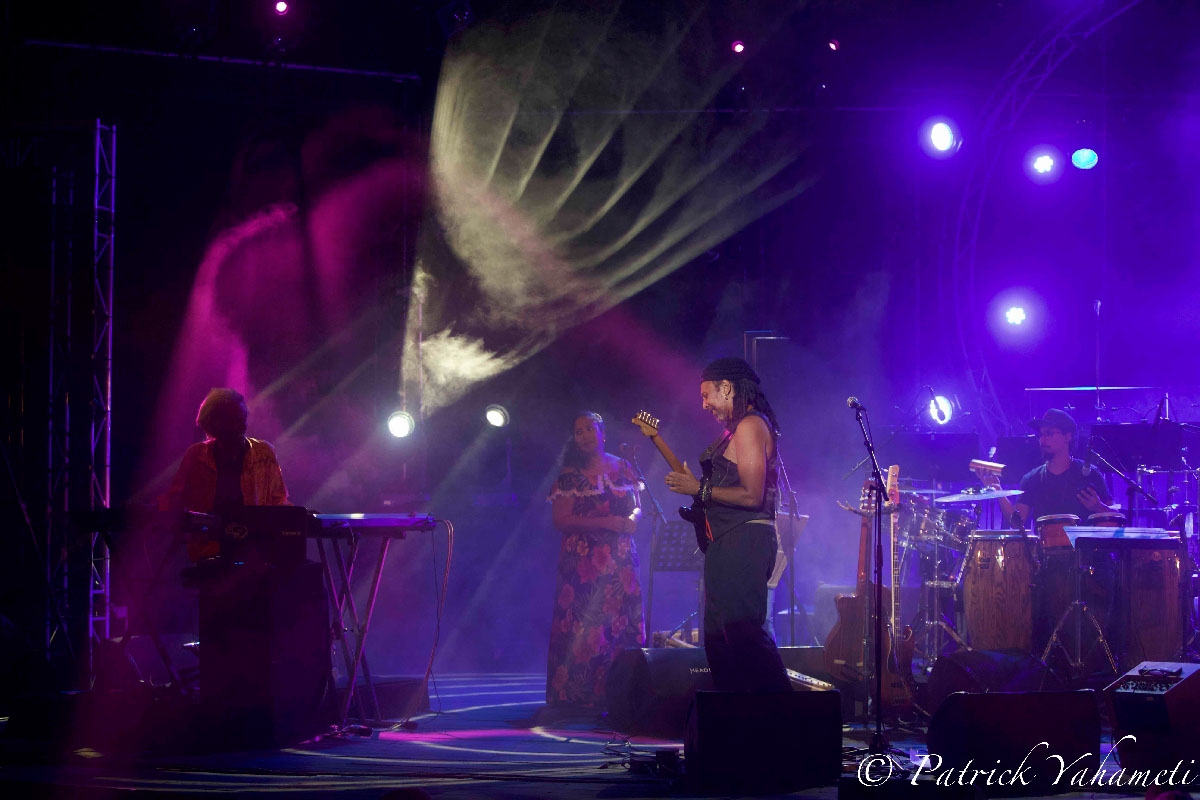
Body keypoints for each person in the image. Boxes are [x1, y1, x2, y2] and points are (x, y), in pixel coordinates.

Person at [664, 357, 791, 694]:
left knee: (744, 635)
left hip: (745, 539)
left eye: (708, 395)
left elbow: (751, 495)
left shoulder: (751, 426)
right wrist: (700, 490)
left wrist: (700, 489)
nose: (704, 404)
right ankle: (740, 724)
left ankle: (787, 723)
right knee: (719, 640)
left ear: (727, 388)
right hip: (726, 541)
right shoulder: (736, 430)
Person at [545, 411, 644, 708]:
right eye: (579, 432)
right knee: (584, 628)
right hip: (583, 567)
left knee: (621, 624)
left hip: (621, 562)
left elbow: (636, 507)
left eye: (590, 429)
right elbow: (561, 520)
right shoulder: (570, 475)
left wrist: (632, 519)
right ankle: (578, 698)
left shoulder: (624, 467)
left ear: (602, 432)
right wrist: (607, 523)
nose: (585, 436)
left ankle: (622, 694)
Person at [162, 388, 289, 516]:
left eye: (242, 418)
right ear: (213, 423)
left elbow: (278, 500)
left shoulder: (264, 453)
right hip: (209, 536)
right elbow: (176, 499)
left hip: (252, 535)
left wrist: (298, 518)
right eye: (232, 420)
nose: (241, 425)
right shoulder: (196, 454)